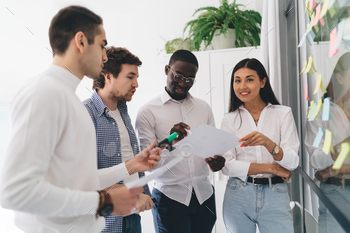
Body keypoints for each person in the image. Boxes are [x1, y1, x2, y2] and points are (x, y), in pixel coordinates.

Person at [0, 6, 161, 233]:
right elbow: (15, 192)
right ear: (81, 41)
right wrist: (102, 202)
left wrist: (132, 165)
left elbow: (79, 182)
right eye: (102, 45)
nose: (105, 57)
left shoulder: (68, 98)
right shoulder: (44, 92)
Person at [135, 50, 221, 233]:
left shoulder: (203, 108)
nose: (183, 83)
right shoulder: (148, 112)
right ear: (167, 70)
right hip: (169, 199)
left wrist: (217, 162)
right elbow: (147, 165)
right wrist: (169, 142)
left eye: (190, 79)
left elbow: (212, 150)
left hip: (204, 196)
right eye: (179, 76)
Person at [215, 58, 299, 233]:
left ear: (262, 82)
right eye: (237, 80)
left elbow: (292, 162)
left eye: (249, 79)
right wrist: (273, 168)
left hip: (275, 193)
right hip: (238, 194)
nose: (242, 86)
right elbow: (227, 166)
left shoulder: (283, 113)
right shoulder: (229, 119)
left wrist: (269, 144)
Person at [83, 46, 153, 233]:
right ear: (108, 77)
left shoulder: (123, 110)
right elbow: (84, 177)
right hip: (106, 223)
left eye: (136, 78)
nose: (136, 84)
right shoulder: (85, 114)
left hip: (132, 217)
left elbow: (127, 160)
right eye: (130, 77)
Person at [304, 52, 350, 233]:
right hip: (335, 193)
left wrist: (334, 169)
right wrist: (340, 147)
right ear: (339, 77)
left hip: (334, 178)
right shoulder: (319, 112)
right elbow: (316, 159)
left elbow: (323, 169)